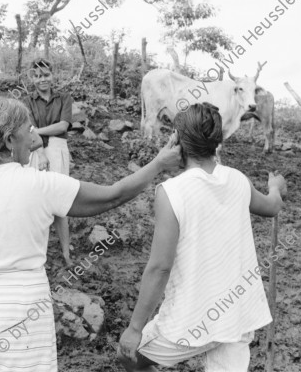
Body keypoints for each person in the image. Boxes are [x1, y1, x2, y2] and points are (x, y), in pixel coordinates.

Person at [0, 98, 182, 372]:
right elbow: (113, 195)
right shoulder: (40, 184)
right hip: (18, 312)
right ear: (10, 141)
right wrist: (159, 164)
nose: (34, 137)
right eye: (28, 130)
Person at [118, 102, 287, 372]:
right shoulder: (238, 180)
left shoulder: (171, 191)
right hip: (236, 317)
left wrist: (135, 327)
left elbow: (160, 267)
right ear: (217, 141)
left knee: (130, 358)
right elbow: (272, 206)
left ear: (177, 141)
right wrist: (275, 187)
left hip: (188, 322)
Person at [25, 57, 74, 266]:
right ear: (31, 78)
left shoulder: (64, 98)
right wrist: (40, 151)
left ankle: (66, 252)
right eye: (37, 76)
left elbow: (62, 126)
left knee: (59, 201)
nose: (42, 79)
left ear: (52, 75)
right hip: (35, 151)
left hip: (58, 149)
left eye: (45, 75)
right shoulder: (27, 101)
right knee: (36, 200)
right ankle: (37, 253)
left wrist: (36, 131)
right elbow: (26, 129)